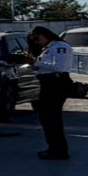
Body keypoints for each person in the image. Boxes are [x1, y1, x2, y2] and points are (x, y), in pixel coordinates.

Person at [27, 25, 72, 160]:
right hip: (47, 83)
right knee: (46, 118)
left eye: (37, 38)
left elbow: (59, 67)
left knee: (53, 118)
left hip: (57, 83)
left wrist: (36, 63)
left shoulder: (60, 46)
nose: (37, 42)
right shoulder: (47, 49)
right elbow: (44, 67)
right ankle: (53, 147)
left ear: (44, 34)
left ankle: (60, 150)